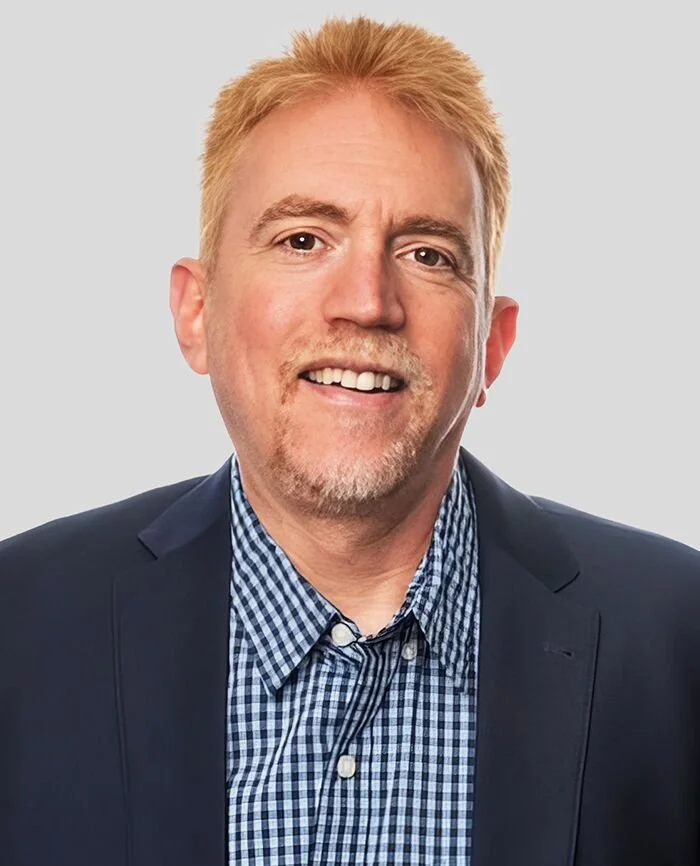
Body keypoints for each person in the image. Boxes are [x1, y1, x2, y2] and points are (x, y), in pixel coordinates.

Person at [0, 15, 698, 866]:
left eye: (429, 253)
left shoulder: (678, 640)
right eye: (303, 239)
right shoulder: (19, 626)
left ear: (492, 344)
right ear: (196, 312)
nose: (367, 300)